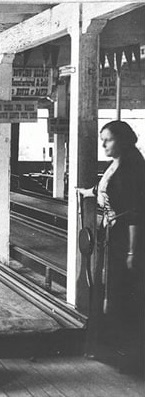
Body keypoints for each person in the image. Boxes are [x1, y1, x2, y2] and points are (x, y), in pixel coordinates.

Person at [78, 120, 145, 376]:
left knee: (122, 293)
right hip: (111, 236)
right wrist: (86, 192)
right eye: (102, 139)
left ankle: (128, 357)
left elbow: (136, 214)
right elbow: (105, 189)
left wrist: (132, 251)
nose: (103, 144)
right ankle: (106, 348)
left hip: (126, 240)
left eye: (108, 139)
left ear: (124, 140)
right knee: (109, 290)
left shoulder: (134, 168)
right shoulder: (116, 164)